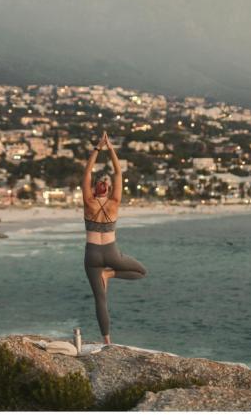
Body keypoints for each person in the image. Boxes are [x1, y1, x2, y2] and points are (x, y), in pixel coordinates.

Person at [82, 131, 147, 344]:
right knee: (141, 272)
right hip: (111, 252)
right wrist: (111, 149)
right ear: (109, 189)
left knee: (100, 300)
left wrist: (97, 148)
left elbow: (87, 172)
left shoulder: (89, 202)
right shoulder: (114, 202)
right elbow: (119, 173)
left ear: (95, 187)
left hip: (92, 254)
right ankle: (109, 275)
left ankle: (107, 340)